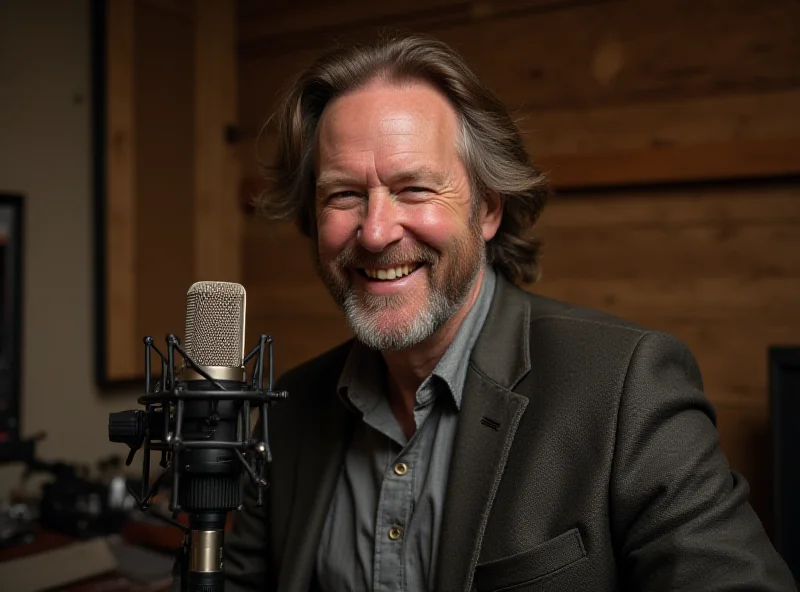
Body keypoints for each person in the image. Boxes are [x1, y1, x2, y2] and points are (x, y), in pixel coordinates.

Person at [224, 34, 796, 591]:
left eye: (415, 189)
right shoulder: (286, 413)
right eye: (343, 195)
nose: (374, 232)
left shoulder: (627, 387)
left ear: (488, 210)